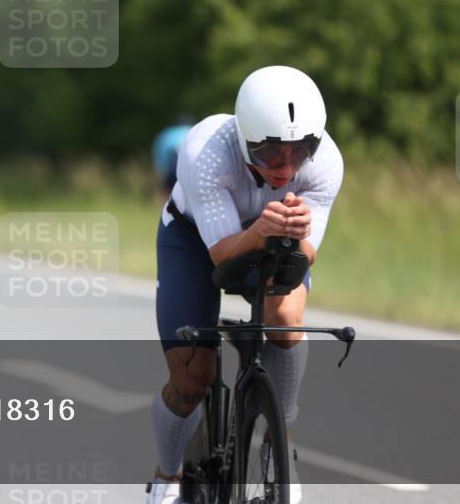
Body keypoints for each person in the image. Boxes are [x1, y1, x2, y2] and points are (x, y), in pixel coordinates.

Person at [147, 66, 343, 504]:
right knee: (192, 378)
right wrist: (259, 232)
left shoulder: (326, 161)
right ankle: (167, 476)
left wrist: (289, 236)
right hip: (194, 242)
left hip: (272, 238)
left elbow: (306, 255)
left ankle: (279, 443)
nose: (285, 167)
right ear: (244, 137)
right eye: (270, 153)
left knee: (286, 319)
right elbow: (222, 260)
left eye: (299, 151)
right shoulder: (205, 152)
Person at [152, 115, 195, 201]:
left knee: (166, 195)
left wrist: (162, 176)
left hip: (172, 169)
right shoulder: (194, 131)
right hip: (191, 169)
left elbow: (161, 158)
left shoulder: (165, 135)